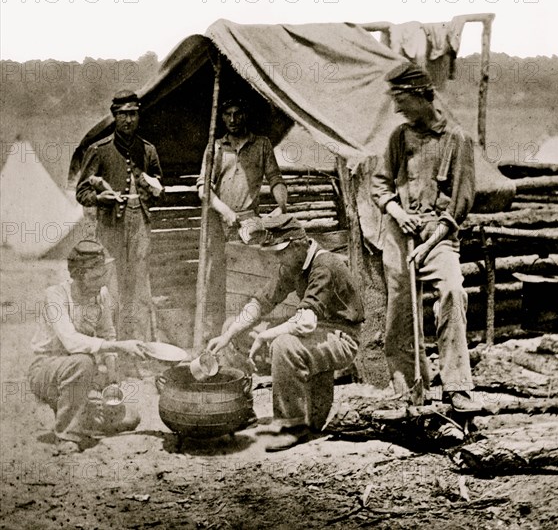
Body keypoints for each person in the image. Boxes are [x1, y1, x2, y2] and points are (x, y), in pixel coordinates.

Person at [371, 62, 483, 412]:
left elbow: (459, 207)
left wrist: (429, 245)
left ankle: (457, 387)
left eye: (402, 101)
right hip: (400, 232)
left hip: (438, 236)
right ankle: (407, 389)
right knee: (399, 315)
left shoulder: (458, 140)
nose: (397, 109)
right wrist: (397, 212)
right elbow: (380, 184)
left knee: (452, 290)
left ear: (422, 96)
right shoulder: (398, 137)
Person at [207, 215, 364, 451]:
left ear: (299, 244)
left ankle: (292, 427)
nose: (278, 257)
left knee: (285, 344)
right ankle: (244, 410)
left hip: (342, 336)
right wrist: (228, 335)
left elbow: (305, 322)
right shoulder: (294, 263)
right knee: (233, 325)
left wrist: (265, 335)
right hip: (316, 331)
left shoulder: (325, 266)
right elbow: (262, 302)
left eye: (282, 251)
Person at [28, 240, 147, 454]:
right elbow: (71, 342)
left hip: (82, 374)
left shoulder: (101, 295)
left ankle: (81, 415)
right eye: (94, 277)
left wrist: (111, 381)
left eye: (102, 275)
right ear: (78, 274)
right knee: (83, 362)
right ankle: (67, 436)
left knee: (131, 417)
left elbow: (107, 334)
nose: (100, 282)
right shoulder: (55, 295)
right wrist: (121, 347)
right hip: (47, 372)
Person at [197, 98, 288, 342]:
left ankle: (241, 335)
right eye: (228, 114)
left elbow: (275, 179)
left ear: (246, 115)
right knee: (214, 279)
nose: (233, 120)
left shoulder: (262, 145)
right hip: (218, 223)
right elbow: (203, 188)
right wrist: (223, 210)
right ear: (222, 117)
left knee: (246, 279)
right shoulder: (215, 148)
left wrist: (281, 206)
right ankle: (212, 336)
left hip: (248, 225)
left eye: (238, 113)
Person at [76, 90, 163, 343]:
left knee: (139, 289)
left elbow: (160, 187)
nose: (128, 120)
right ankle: (111, 348)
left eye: (133, 114)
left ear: (138, 116)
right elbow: (82, 191)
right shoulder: (99, 150)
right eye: (123, 115)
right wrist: (99, 199)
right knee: (111, 287)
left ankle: (140, 348)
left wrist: (153, 188)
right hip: (111, 225)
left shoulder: (147, 150)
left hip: (140, 226)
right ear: (114, 116)